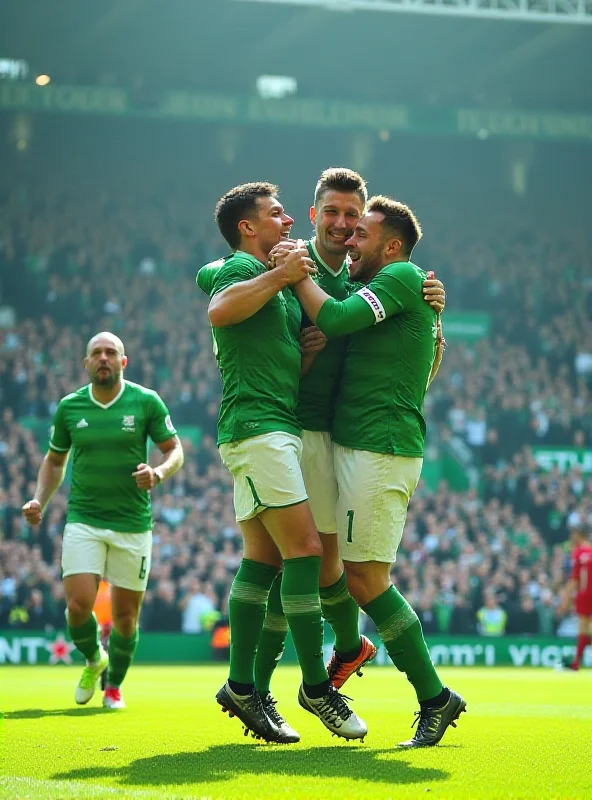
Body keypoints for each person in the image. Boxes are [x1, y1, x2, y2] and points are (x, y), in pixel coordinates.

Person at [282, 194, 465, 748]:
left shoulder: (405, 276)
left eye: (361, 235)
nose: (349, 240)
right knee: (328, 563)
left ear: (391, 246)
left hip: (381, 449)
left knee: (366, 579)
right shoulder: (387, 288)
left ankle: (436, 698)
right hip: (353, 445)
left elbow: (333, 317)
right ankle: (344, 655)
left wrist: (293, 275)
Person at [256, 169, 446, 700]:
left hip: (359, 442)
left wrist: (433, 315)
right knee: (301, 567)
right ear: (315, 215)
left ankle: (330, 671)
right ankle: (260, 685)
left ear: (383, 242)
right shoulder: (292, 263)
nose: (346, 228)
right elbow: (222, 281)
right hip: (296, 431)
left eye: (356, 222)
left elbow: (405, 352)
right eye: (336, 215)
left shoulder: (372, 283)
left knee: (335, 569)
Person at [197, 181, 367, 745]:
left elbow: (270, 365)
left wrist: (307, 354)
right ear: (248, 227)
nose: (288, 220)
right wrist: (281, 276)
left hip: (270, 427)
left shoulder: (280, 288)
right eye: (276, 213)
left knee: (264, 561)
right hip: (258, 431)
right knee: (309, 552)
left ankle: (242, 686)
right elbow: (219, 312)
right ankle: (317, 687)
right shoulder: (236, 270)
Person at [22, 332, 184, 709]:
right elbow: (54, 460)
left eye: (111, 352)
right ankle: (95, 659)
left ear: (123, 362)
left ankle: (114, 687)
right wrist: (39, 499)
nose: (104, 358)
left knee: (126, 617)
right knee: (78, 606)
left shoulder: (145, 401)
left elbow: (174, 449)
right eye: (96, 353)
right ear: (86, 363)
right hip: (84, 519)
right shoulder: (70, 407)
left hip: (133, 523)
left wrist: (158, 473)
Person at [558, 525, 592, 671]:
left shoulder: (579, 553)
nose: (571, 538)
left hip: (585, 594)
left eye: (573, 535)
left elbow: (574, 579)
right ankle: (576, 662)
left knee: (583, 628)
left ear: (579, 534)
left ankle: (576, 663)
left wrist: (565, 600)